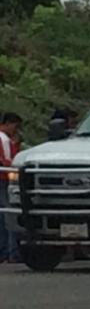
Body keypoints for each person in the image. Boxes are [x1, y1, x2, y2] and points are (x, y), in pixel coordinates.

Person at [0, 112, 23, 263]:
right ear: (9, 123)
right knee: (10, 214)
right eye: (16, 126)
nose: (16, 130)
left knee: (2, 217)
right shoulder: (4, 139)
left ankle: (4, 251)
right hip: (4, 180)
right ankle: (13, 251)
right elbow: (9, 161)